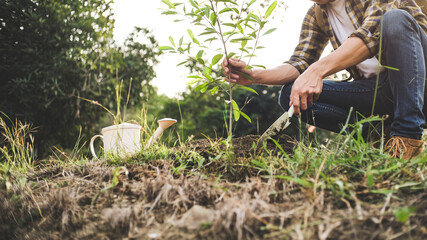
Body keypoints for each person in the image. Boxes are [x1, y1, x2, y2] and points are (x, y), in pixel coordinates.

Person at [221, 0, 427, 159]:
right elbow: (300, 61)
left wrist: (317, 70)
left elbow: (370, 36)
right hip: (379, 91)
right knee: (291, 94)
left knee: (395, 19)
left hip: (419, 80)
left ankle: (407, 136)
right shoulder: (317, 14)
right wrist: (256, 75)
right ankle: (378, 135)